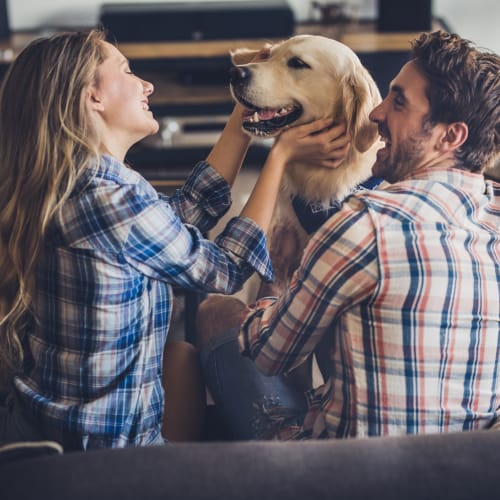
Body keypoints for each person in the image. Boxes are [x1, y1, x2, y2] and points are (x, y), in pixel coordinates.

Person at [0, 29, 351, 449]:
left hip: (48, 421)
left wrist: (247, 115)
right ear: (93, 96)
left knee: (181, 357)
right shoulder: (109, 199)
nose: (146, 84)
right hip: (95, 452)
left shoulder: (86, 181)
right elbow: (225, 270)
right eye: (127, 71)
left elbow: (188, 209)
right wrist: (278, 156)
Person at [197, 30, 500, 440]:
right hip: (466, 465)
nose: (375, 115)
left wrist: (275, 283)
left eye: (398, 102)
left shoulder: (363, 226)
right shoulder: (491, 216)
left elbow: (269, 354)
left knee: (214, 311)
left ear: (450, 136)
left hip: (350, 470)